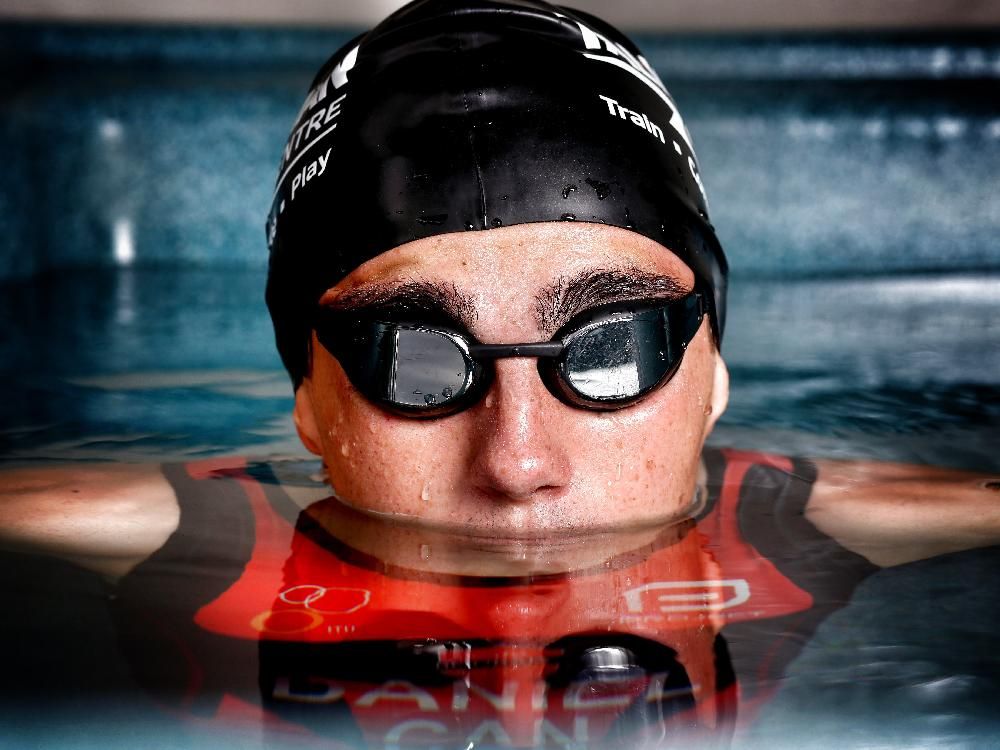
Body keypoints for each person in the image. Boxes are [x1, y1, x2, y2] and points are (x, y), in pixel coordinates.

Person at [1, 0, 998, 746]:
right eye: (412, 359)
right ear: (307, 399)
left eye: (611, 348)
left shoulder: (813, 523)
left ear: (712, 374)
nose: (518, 464)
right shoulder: (205, 539)